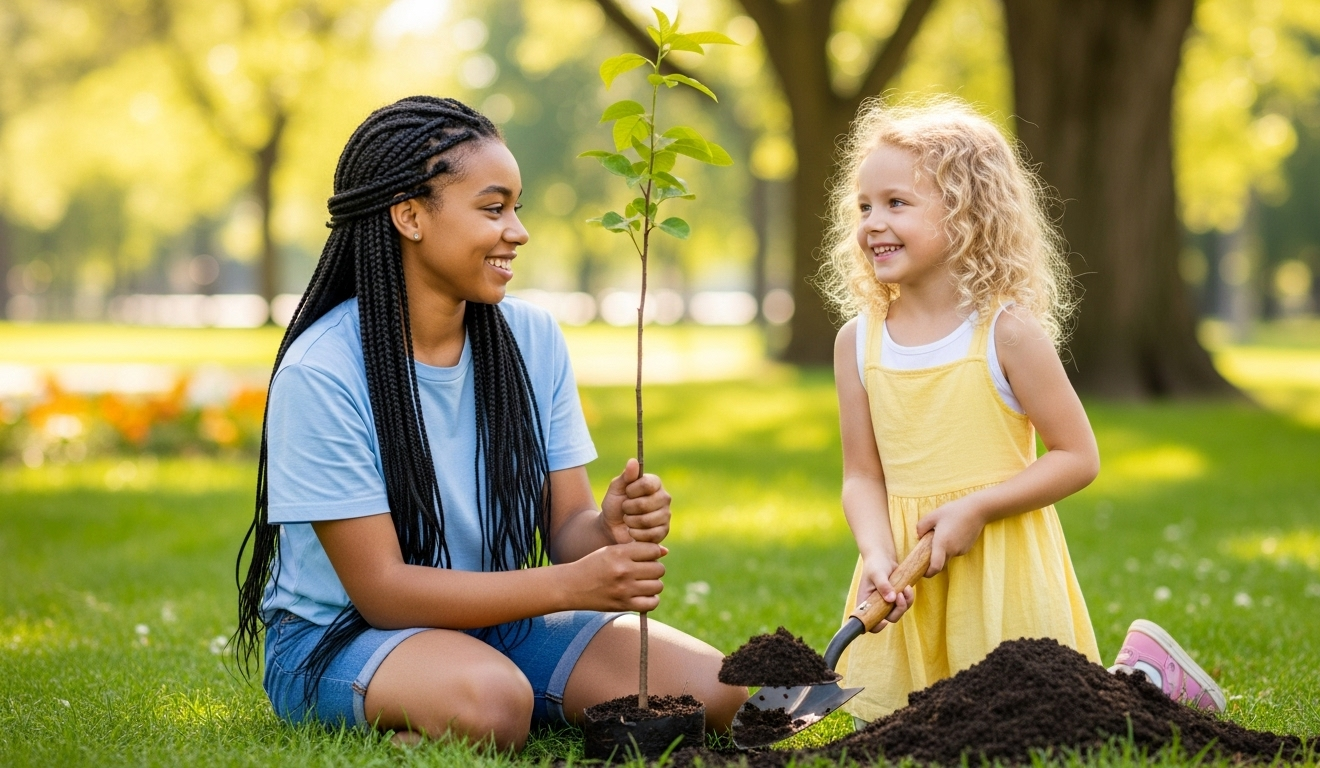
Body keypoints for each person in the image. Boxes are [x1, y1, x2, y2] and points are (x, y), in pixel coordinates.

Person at [231, 96, 746, 748]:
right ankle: (431, 716)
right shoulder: (323, 370)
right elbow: (382, 592)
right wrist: (570, 586)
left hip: (496, 621)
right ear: (410, 216)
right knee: (495, 705)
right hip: (340, 635)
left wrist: (606, 530)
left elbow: (568, 529)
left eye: (516, 208)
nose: (518, 232)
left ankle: (464, 690)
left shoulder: (532, 338)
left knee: (721, 691)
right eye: (493, 208)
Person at [819, 96, 1226, 725]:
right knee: (914, 733)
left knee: (1040, 723)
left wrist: (978, 507)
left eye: (897, 203)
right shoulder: (858, 343)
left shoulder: (1005, 334)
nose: (874, 222)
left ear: (968, 213)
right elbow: (861, 476)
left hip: (1000, 566)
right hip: (908, 570)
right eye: (864, 206)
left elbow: (1077, 456)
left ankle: (1146, 682)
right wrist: (876, 553)